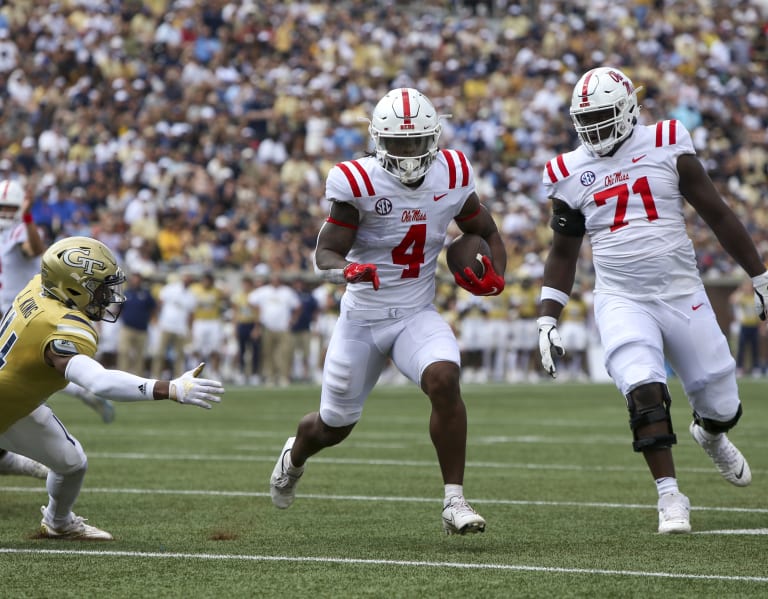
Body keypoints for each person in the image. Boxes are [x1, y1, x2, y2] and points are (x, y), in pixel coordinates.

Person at [536, 67, 767, 534]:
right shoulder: (568, 171)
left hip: (681, 292)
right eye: (587, 118)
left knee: (722, 399)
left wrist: (761, 276)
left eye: (603, 116)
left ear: (627, 110)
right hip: (622, 298)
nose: (595, 128)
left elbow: (717, 213)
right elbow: (564, 251)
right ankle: (669, 495)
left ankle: (711, 431)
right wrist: (546, 316)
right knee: (643, 389)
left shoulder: (666, 142)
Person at [269, 88, 507, 535]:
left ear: (432, 139)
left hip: (415, 312)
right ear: (379, 141)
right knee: (333, 426)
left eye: (415, 142)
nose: (407, 152)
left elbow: (485, 229)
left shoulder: (452, 173)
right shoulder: (357, 182)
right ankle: (295, 455)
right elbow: (325, 254)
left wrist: (499, 275)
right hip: (363, 318)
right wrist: (349, 270)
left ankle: (454, 500)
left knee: (444, 378)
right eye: (397, 143)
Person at [0, 236, 223, 540]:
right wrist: (169, 388)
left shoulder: (39, 286)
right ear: (74, 287)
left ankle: (58, 522)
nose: (106, 296)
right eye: (99, 287)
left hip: (15, 403)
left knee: (72, 462)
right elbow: (98, 381)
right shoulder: (60, 326)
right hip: (9, 402)